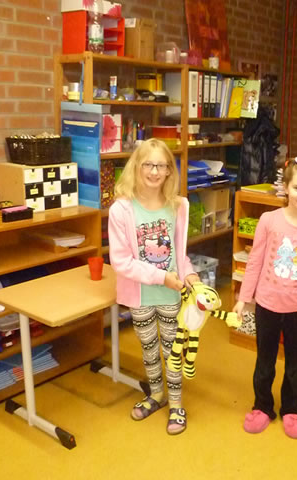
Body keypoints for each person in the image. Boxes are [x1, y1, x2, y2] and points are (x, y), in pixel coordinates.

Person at [233, 157, 297, 439]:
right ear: (286, 187)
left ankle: (292, 409)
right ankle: (262, 406)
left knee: (295, 364)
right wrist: (243, 298)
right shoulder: (269, 220)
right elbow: (254, 262)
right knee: (264, 361)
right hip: (266, 305)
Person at [108, 138, 199, 435]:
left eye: (161, 165)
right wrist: (162, 277)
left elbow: (180, 254)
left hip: (171, 294)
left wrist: (191, 275)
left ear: (170, 170)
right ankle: (157, 395)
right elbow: (121, 262)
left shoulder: (178, 206)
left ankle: (176, 404)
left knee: (173, 351)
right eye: (148, 164)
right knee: (149, 350)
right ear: (137, 166)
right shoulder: (121, 210)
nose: (155, 171)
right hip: (140, 295)